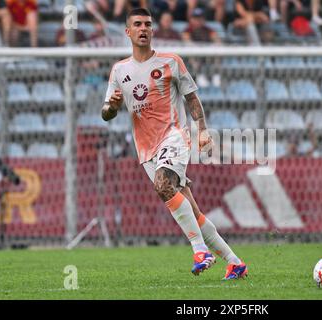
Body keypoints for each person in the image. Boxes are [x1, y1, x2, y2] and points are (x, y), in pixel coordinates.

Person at [101, 8, 248, 280]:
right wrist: (112, 106)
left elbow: (191, 98)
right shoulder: (119, 71)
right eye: (137, 24)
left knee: (163, 185)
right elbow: (106, 113)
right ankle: (234, 262)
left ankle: (199, 250)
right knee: (192, 211)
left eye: (147, 24)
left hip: (175, 136)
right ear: (128, 31)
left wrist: (202, 130)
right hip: (146, 149)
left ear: (152, 30)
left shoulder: (171, 61)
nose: (143, 28)